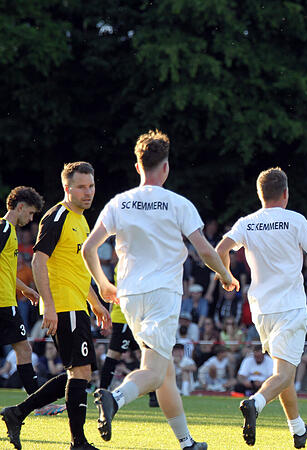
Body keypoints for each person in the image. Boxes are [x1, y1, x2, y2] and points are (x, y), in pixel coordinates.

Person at [82, 131, 238, 450]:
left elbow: (88, 249)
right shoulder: (178, 203)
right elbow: (205, 250)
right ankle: (115, 398)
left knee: (165, 373)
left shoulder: (119, 202)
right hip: (162, 295)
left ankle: (186, 442)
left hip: (128, 297)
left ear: (137, 166)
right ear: (165, 167)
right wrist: (225, 274)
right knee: (153, 372)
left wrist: (103, 283)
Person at [215, 167, 307, 448]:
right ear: (285, 193)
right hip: (290, 307)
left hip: (261, 310)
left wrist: (226, 277)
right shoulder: (295, 220)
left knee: (283, 373)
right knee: (284, 373)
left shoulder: (247, 222)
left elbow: (220, 249)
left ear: (260, 194)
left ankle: (298, 430)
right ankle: (256, 403)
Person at [1, 163, 112, 450]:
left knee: (79, 373)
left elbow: (77, 270)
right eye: (81, 187)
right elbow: (39, 261)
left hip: (76, 305)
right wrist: (48, 305)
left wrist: (96, 303)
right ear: (67, 188)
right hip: (63, 306)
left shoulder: (82, 220)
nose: (88, 192)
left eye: (91, 186)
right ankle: (78, 442)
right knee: (80, 372)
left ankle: (18, 413)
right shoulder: (57, 216)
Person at [0, 186, 45, 397]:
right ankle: (37, 403)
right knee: (24, 349)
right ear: (20, 207)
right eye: (30, 212)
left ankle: (36, 402)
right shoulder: (4, 229)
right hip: (3, 303)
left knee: (24, 349)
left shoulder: (9, 231)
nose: (31, 218)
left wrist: (26, 289)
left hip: (7, 301)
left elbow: (7, 271)